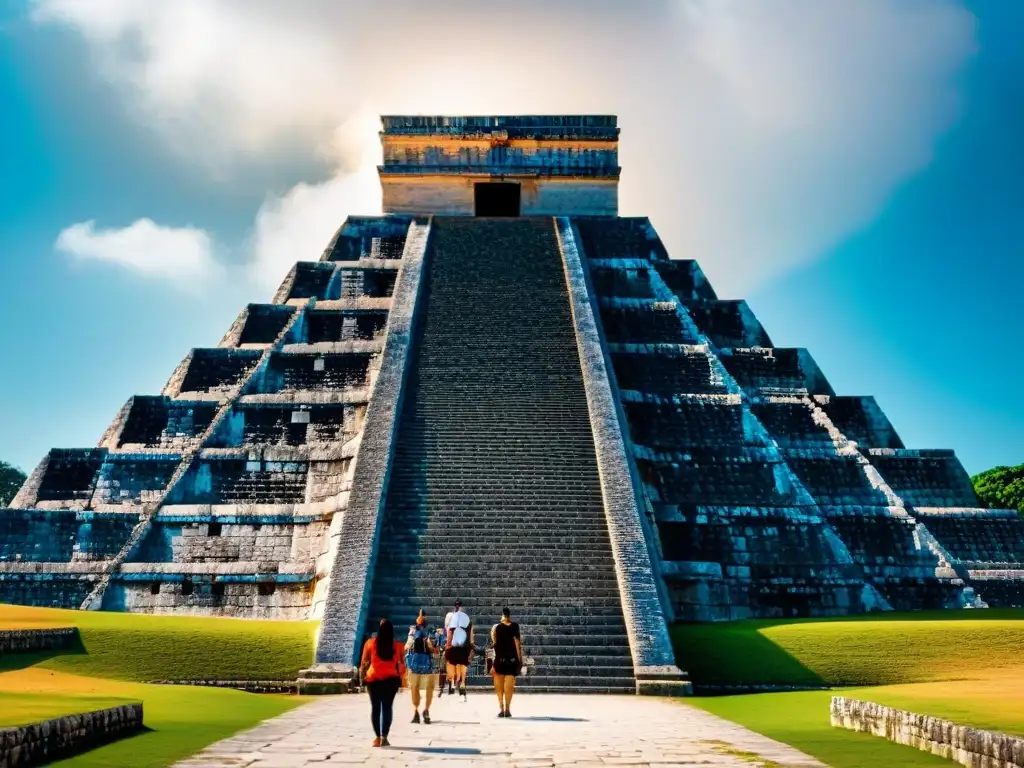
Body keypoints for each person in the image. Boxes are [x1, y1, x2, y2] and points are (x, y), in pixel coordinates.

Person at [359, 618, 406, 747]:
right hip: (391, 681)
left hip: (373, 680)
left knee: (375, 708)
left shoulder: (370, 643)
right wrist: (401, 680)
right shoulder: (398, 646)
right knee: (387, 708)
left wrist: (361, 676)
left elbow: (363, 663)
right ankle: (384, 737)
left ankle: (377, 737)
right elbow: (402, 665)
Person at [405, 610, 436, 724]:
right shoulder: (430, 630)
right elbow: (434, 648)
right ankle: (426, 711)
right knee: (429, 688)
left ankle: (416, 712)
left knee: (414, 688)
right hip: (427, 663)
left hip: (414, 663)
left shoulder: (413, 630)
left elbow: (407, 645)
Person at [490, 607, 522, 718]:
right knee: (509, 686)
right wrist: (520, 659)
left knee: (499, 686)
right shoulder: (515, 626)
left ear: (502, 615)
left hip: (499, 659)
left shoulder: (496, 627)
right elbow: (518, 644)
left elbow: (494, 645)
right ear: (509, 615)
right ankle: (507, 709)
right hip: (512, 660)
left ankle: (501, 708)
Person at [444, 599, 472, 698]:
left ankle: (452, 683)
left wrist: (447, 644)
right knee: (463, 664)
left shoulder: (450, 616)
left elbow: (448, 631)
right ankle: (463, 683)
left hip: (453, 644)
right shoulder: (466, 617)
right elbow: (470, 631)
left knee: (451, 663)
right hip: (464, 645)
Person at [434, 627, 448, 697]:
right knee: (442, 670)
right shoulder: (439, 635)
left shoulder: (446, 634)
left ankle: (443, 686)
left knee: (443, 670)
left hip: (446, 653)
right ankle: (441, 686)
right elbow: (436, 644)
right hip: (441, 653)